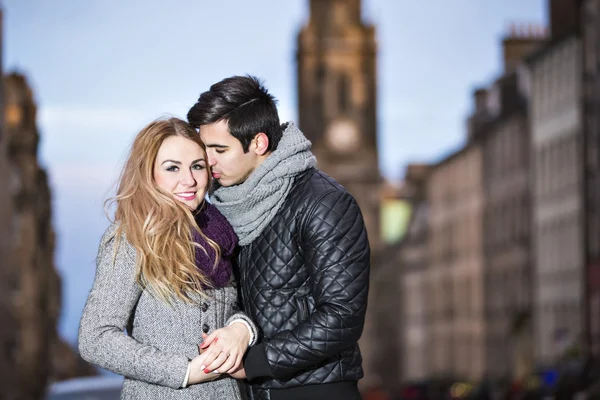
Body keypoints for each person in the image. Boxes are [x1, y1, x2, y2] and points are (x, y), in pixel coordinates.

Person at [187, 76, 370, 400]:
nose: (208, 162)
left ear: (258, 143)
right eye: (205, 149)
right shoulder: (221, 209)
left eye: (219, 149)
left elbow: (342, 317)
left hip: (315, 390)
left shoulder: (323, 203)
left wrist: (257, 361)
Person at [78, 117, 258, 399]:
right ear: (148, 174)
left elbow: (230, 308)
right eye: (172, 168)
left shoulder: (218, 234)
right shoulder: (131, 239)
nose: (189, 180)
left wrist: (241, 329)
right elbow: (95, 338)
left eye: (197, 166)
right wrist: (183, 371)